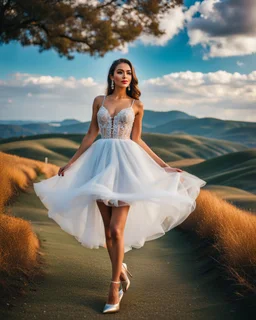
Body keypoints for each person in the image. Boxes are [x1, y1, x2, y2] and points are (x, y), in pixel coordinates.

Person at [33, 58, 207, 314]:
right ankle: (122, 269)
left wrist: (163, 166)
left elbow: (137, 139)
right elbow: (91, 134)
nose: (125, 76)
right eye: (120, 72)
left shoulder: (137, 105)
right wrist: (70, 163)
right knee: (108, 232)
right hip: (99, 165)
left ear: (131, 77)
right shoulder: (98, 101)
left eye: (129, 73)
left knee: (116, 229)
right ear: (112, 75)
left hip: (126, 167)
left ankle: (114, 286)